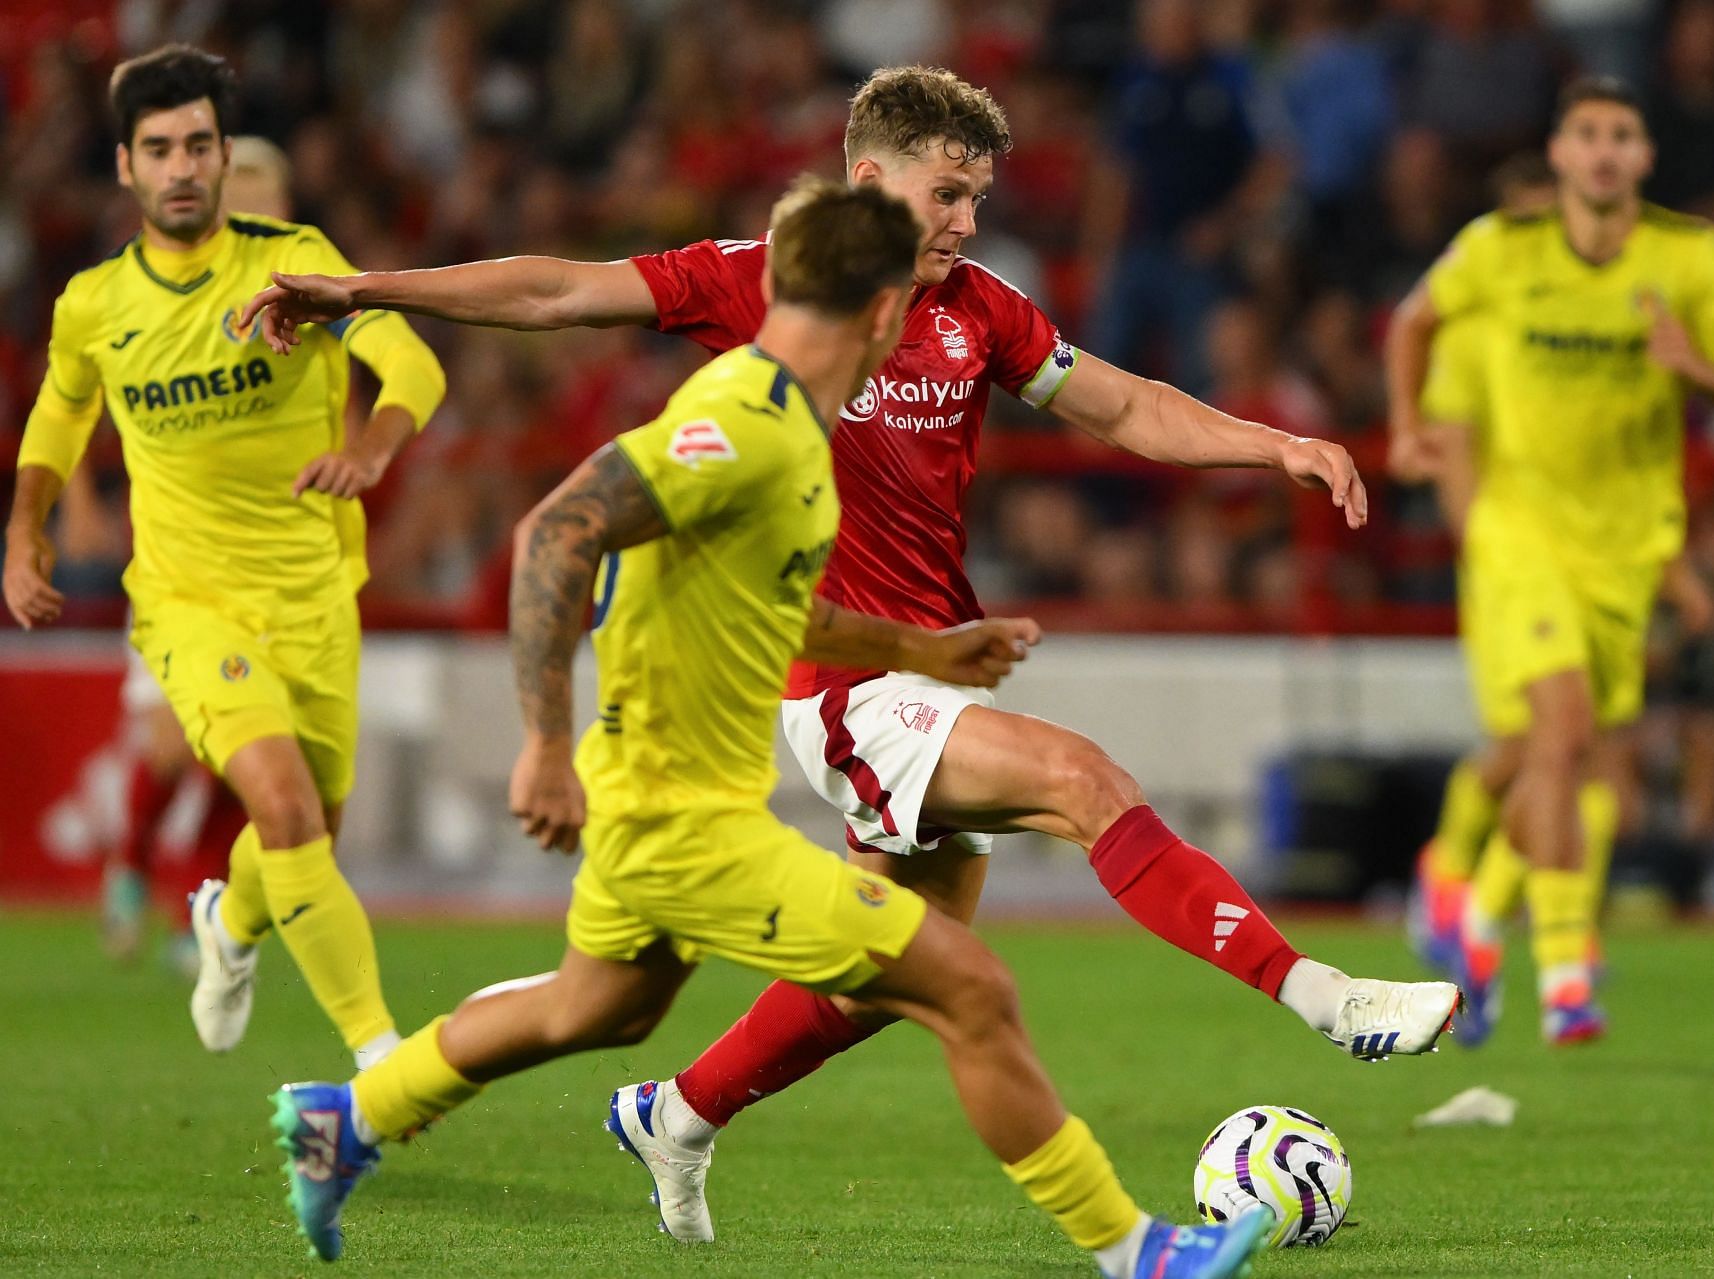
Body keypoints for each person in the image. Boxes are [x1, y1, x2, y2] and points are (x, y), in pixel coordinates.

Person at [240, 64, 1459, 1242]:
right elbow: (559, 297)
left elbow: (1125, 406)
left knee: (824, 977)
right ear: (868, 180)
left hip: (892, 671)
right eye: (948, 193)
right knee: (1080, 788)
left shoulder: (976, 308)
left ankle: (663, 1112)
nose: (969, 220)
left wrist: (1271, 445)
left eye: (979, 195)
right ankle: (1307, 1021)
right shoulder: (760, 316)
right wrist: (365, 289)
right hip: (838, 704)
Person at [3, 46, 446, 1069]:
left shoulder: (297, 260)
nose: (184, 166)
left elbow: (411, 359)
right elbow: (60, 413)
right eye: (159, 148)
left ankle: (228, 926)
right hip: (187, 602)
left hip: (315, 594)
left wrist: (370, 448)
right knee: (281, 805)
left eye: (199, 143)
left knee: (307, 840)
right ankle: (386, 1064)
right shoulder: (94, 305)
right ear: (125, 166)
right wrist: (28, 522)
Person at [1385, 76, 1714, 1045]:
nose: (1601, 155)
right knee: (1559, 736)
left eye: (1621, 136)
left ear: (1643, 157)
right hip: (1516, 546)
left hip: (1623, 549)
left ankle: (1472, 914)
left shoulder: (1684, 258)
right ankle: (1563, 968)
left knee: (1573, 756)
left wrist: (1694, 371)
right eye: (1584, 137)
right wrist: (1463, 514)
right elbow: (1453, 424)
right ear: (1557, 161)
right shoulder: (1490, 291)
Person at [100, 134, 292, 968]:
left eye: (261, 186)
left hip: (275, 558)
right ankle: (132, 858)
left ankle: (195, 911)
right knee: (176, 740)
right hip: (183, 550)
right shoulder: (174, 286)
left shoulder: (313, 291)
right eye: (235, 184)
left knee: (246, 743)